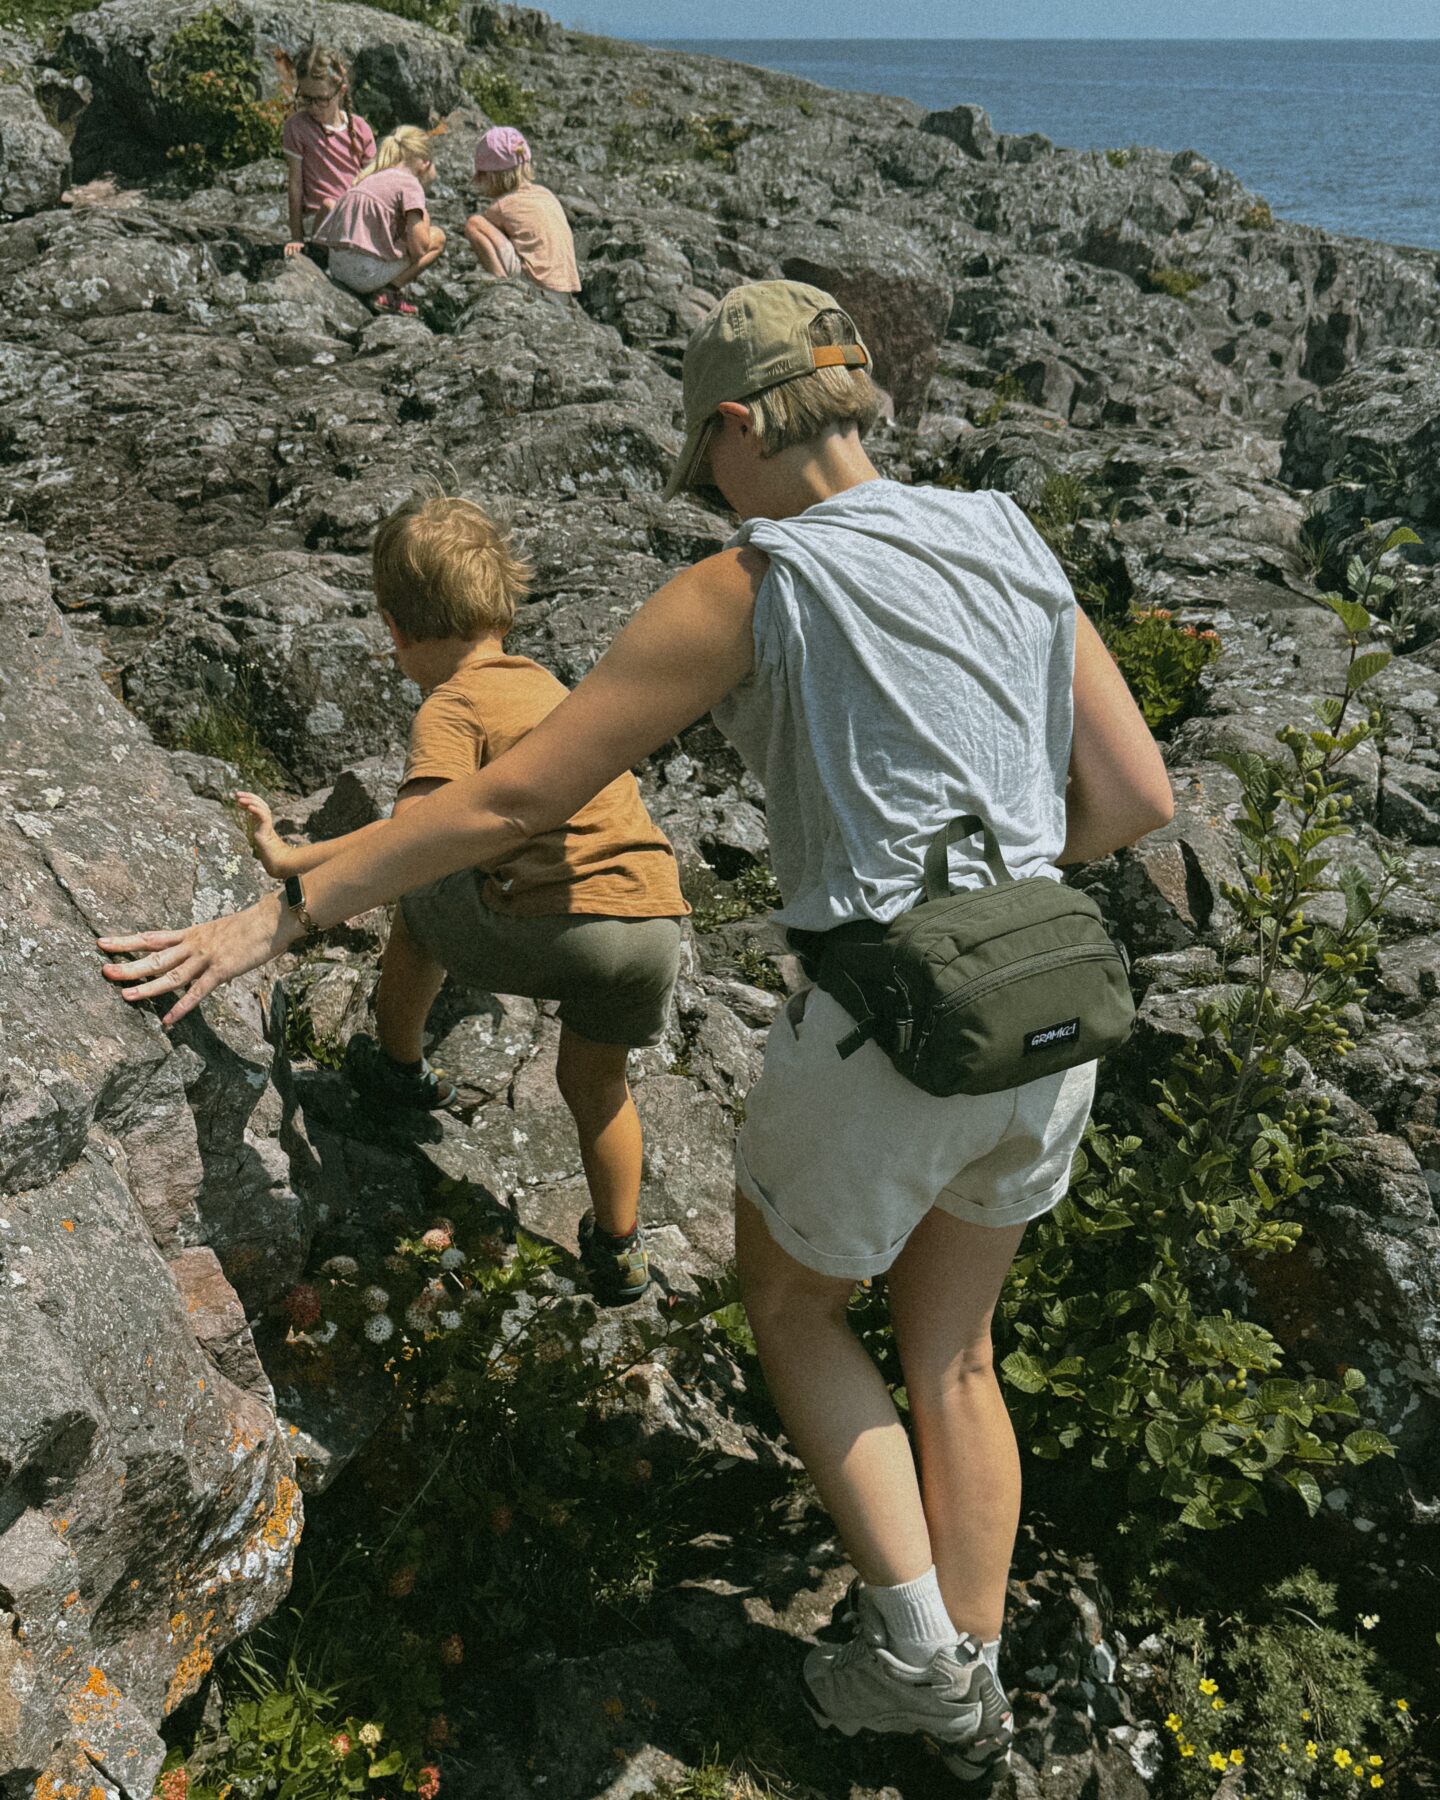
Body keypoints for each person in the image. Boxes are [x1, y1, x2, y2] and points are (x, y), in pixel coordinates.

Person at [98, 281, 1174, 1780]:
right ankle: (966, 1682)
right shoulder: (1009, 533)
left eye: (702, 454)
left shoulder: (756, 582)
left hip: (891, 1021)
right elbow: (1134, 803)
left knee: (799, 1312)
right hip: (1054, 1017)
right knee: (961, 1360)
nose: (707, 485)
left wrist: (287, 911)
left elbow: (519, 793)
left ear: (737, 422)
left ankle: (924, 1669)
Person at [233, 493, 688, 1306]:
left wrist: (293, 865)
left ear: (397, 629)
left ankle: (399, 1066)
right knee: (598, 1085)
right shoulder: (549, 686)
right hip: (653, 921)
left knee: (426, 897)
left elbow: (415, 839)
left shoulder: (454, 704)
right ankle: (620, 1250)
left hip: (565, 931)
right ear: (502, 606)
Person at [313, 125, 446, 314]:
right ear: (425, 162)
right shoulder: (410, 184)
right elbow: (419, 250)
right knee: (437, 237)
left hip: (337, 267)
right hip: (365, 275)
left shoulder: (370, 177)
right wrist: (423, 215)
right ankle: (389, 292)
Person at [463, 126, 580, 305]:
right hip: (565, 292)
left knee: (475, 224)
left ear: (492, 176)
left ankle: (501, 284)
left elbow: (490, 242)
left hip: (536, 288)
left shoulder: (501, 206)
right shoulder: (545, 193)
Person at [281, 44, 376, 257]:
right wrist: (296, 237)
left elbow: (372, 182)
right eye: (306, 98)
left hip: (353, 216)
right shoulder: (297, 127)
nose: (313, 107)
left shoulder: (360, 129)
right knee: (330, 205)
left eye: (321, 99)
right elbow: (295, 185)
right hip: (320, 219)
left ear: (340, 91)